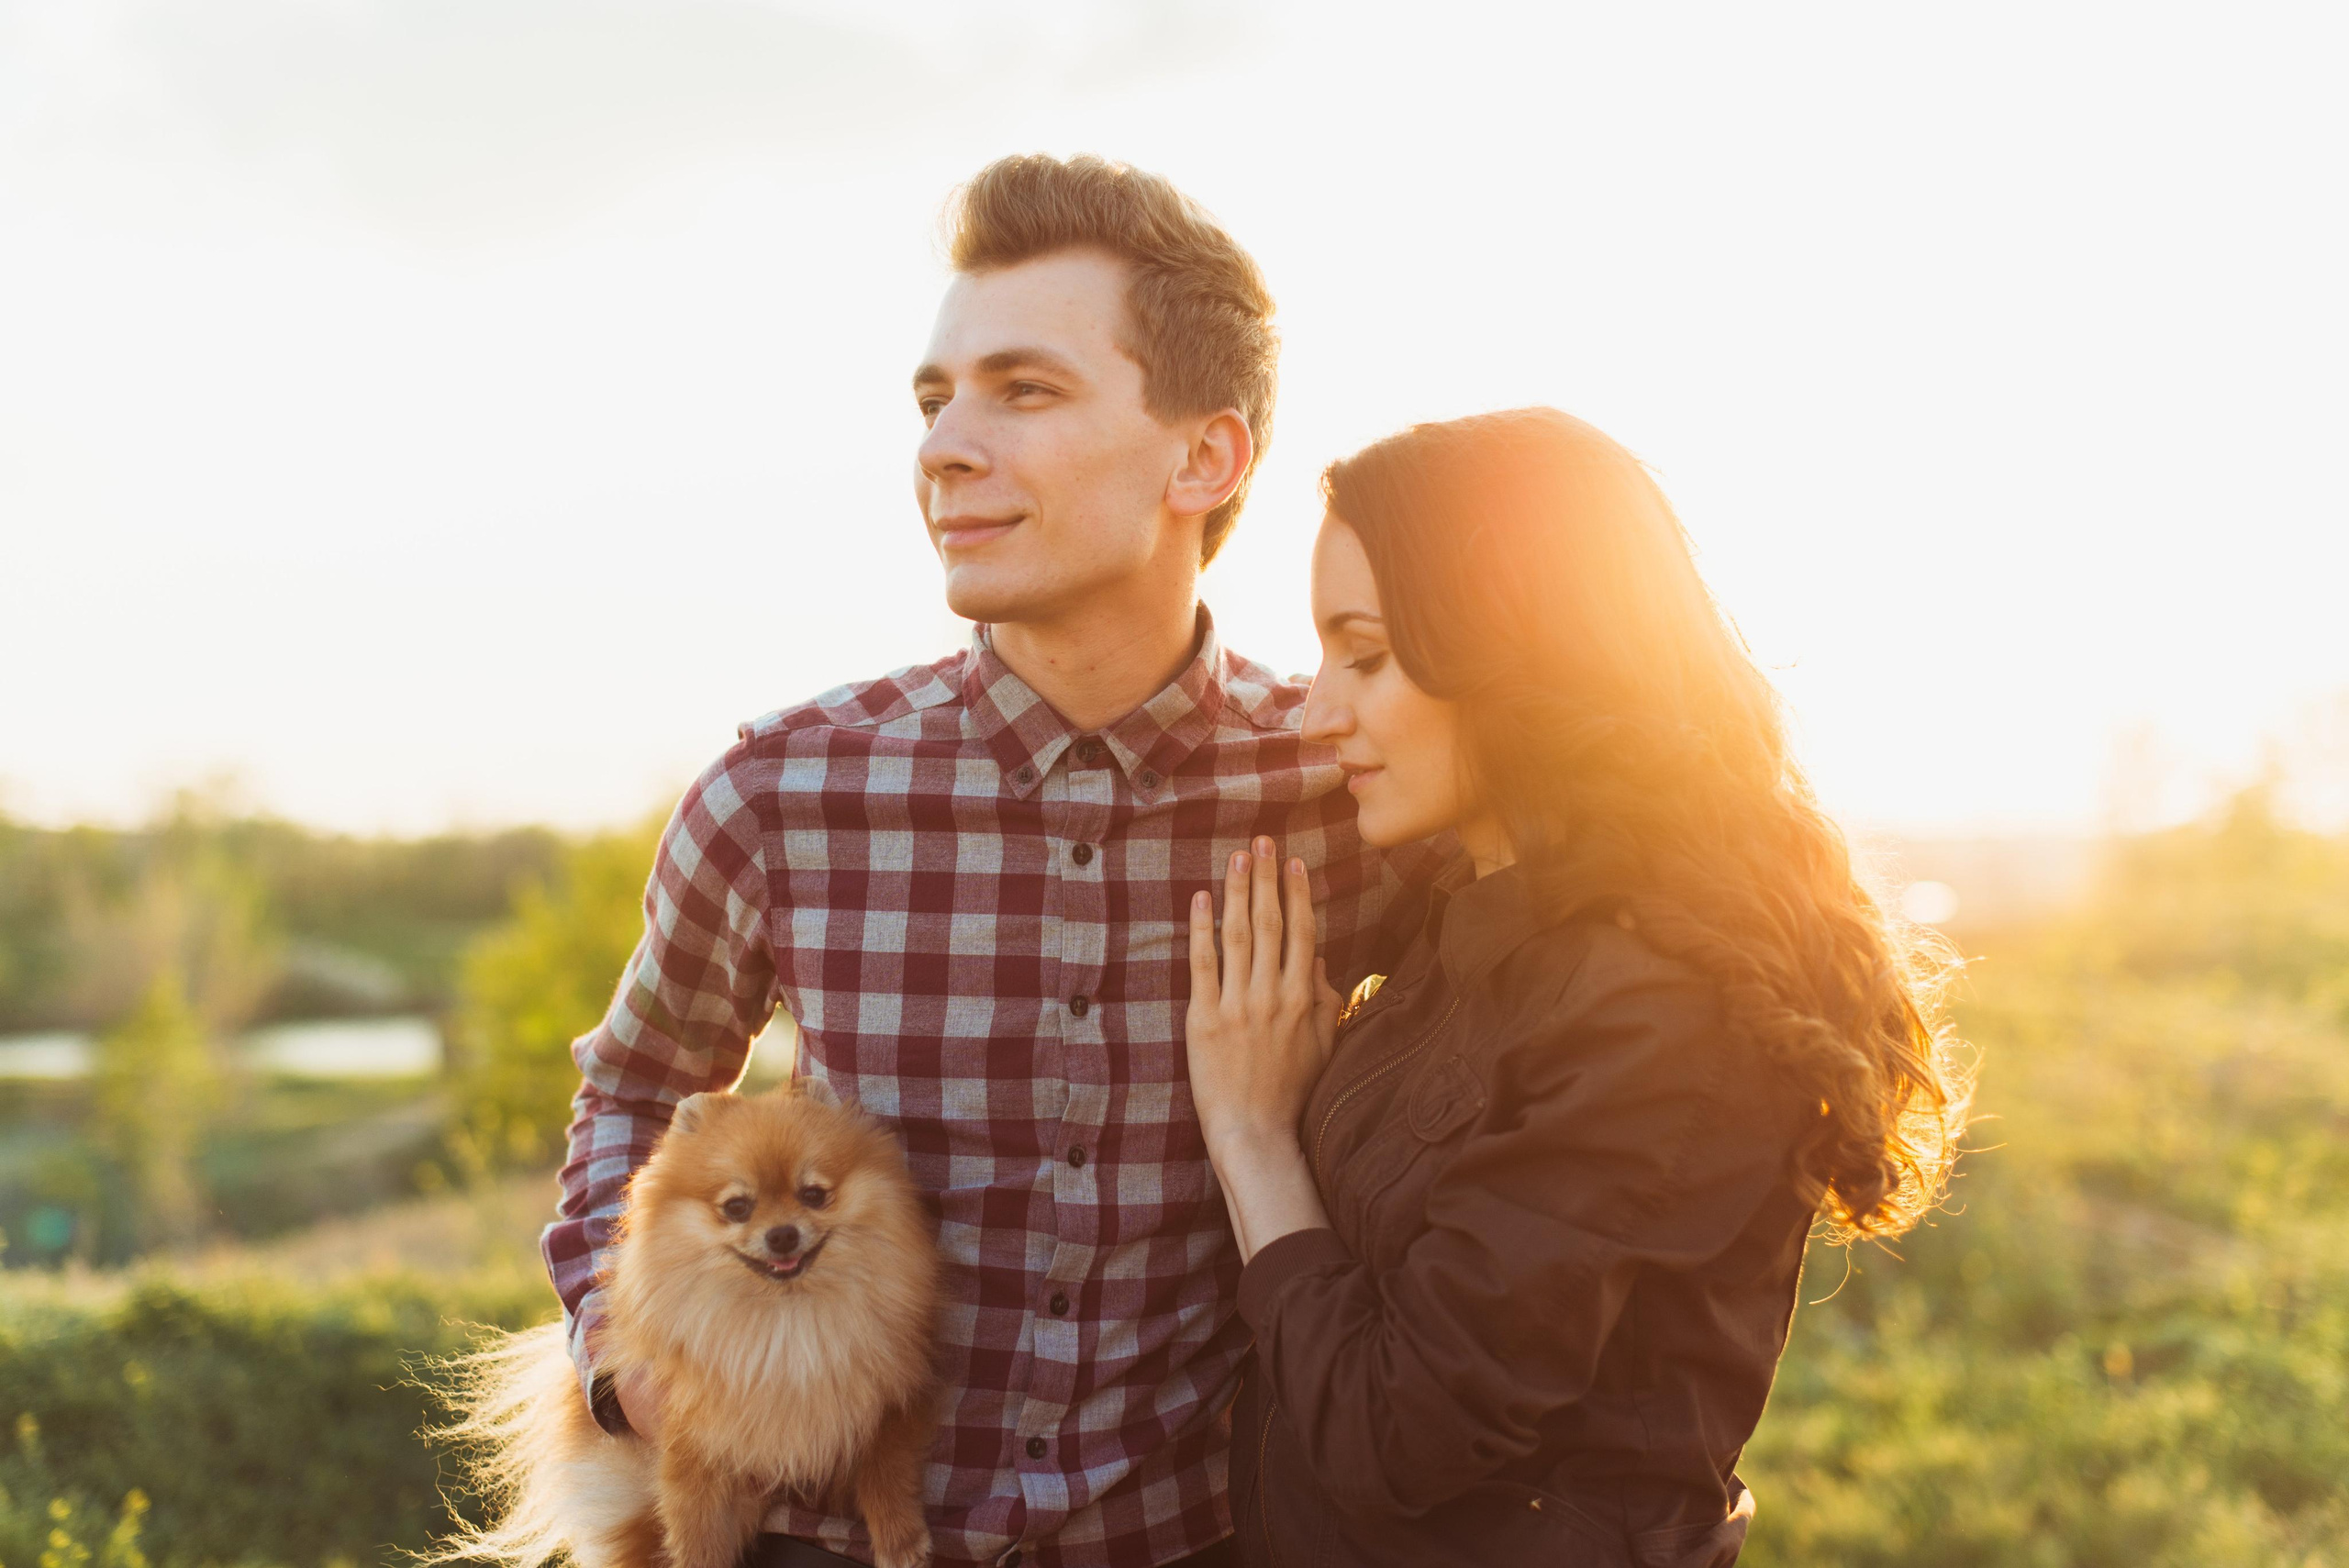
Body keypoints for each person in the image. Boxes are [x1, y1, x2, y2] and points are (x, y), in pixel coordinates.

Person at [540, 154, 1436, 1568]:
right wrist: (624, 1362)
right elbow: (636, 1091)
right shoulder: (786, 793)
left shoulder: (1344, 786)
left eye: (1023, 391)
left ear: (1204, 457)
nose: (945, 447)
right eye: (934, 399)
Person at [1181, 407, 1973, 1567]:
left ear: (1514, 650)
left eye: (1366, 655)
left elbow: (1395, 1437)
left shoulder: (1659, 1010)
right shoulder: (1469, 921)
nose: (1317, 713)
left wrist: (1255, 1139)